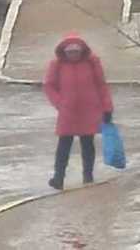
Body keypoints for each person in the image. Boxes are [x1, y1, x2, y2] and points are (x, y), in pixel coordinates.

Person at [44, 33, 113, 190]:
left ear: (82, 51)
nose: (73, 55)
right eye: (70, 53)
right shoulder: (57, 65)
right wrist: (60, 103)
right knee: (64, 144)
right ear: (64, 52)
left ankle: (88, 176)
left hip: (89, 109)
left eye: (76, 52)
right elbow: (49, 85)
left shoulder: (92, 63)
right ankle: (58, 177)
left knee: (87, 143)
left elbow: (101, 85)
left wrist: (107, 108)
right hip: (68, 111)